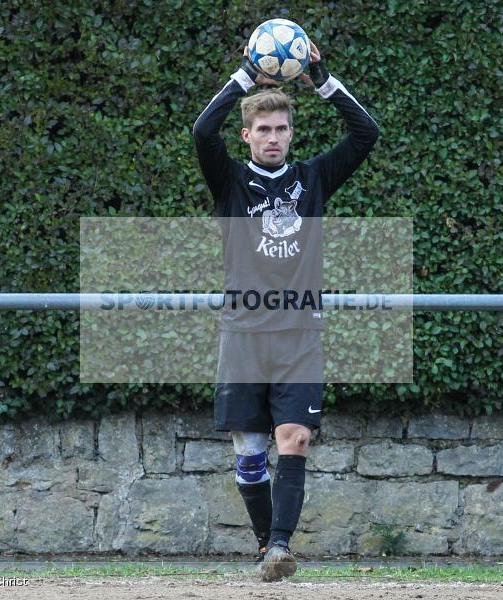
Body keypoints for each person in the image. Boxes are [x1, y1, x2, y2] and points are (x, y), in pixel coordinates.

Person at [192, 38, 379, 582]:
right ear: (248, 135)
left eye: (282, 129)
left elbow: (365, 133)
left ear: (291, 133)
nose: (273, 138)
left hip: (299, 332)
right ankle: (262, 542)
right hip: (244, 333)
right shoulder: (229, 181)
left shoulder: (314, 179)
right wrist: (247, 76)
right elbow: (203, 131)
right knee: (250, 452)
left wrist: (320, 79)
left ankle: (279, 546)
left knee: (294, 439)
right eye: (263, 130)